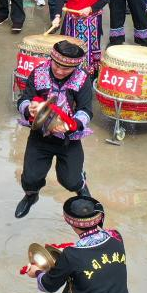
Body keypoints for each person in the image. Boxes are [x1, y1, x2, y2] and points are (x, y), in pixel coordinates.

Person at [15, 39, 93, 218]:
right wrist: (28, 108)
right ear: (51, 59)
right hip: (40, 136)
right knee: (30, 178)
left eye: (65, 68)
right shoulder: (39, 72)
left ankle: (81, 186)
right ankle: (31, 196)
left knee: (70, 181)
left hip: (68, 139)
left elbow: (86, 110)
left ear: (75, 67)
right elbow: (24, 99)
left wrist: (71, 125)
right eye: (56, 65)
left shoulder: (82, 79)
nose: (59, 70)